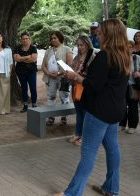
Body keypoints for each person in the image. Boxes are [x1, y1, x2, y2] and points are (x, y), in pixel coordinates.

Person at [54, 18, 131, 196]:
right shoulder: (124, 54)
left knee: (88, 153)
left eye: (101, 32)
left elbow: (93, 85)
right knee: (112, 148)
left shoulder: (105, 55)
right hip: (115, 110)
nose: (98, 34)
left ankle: (72, 193)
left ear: (109, 35)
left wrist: (75, 77)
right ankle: (112, 188)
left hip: (100, 111)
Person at [67, 35, 96, 146]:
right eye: (78, 45)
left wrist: (78, 75)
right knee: (79, 113)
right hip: (75, 88)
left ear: (87, 44)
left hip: (85, 89)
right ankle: (78, 134)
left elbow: (92, 74)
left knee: (85, 114)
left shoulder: (92, 57)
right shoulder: (77, 57)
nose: (80, 47)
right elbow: (73, 69)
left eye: (82, 45)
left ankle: (85, 137)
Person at [41, 31, 73, 125]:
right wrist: (49, 74)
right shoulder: (48, 51)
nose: (53, 40)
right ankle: (51, 116)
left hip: (64, 78)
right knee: (51, 97)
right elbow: (43, 66)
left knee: (64, 97)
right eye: (52, 38)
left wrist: (59, 73)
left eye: (55, 38)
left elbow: (69, 65)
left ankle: (64, 117)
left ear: (60, 38)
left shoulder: (67, 49)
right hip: (50, 78)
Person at [119, 40, 140, 134]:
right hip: (122, 85)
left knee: (133, 106)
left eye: (130, 47)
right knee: (121, 105)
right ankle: (121, 124)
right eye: (125, 47)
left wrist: (139, 73)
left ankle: (132, 126)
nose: (128, 49)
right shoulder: (120, 58)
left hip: (133, 85)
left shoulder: (137, 58)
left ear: (133, 48)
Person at [14, 31, 38, 113]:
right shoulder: (17, 48)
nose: (25, 40)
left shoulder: (33, 48)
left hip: (31, 71)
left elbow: (34, 59)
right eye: (23, 39)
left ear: (29, 39)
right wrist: (28, 57)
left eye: (26, 38)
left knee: (33, 88)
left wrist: (22, 58)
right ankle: (25, 105)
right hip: (20, 72)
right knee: (24, 88)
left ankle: (34, 104)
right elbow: (16, 59)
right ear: (21, 40)